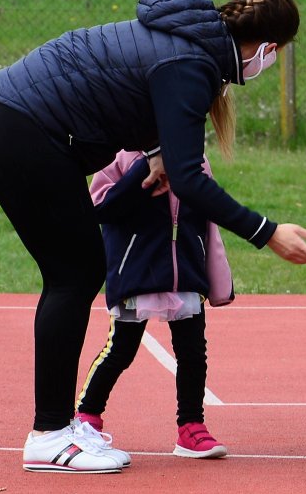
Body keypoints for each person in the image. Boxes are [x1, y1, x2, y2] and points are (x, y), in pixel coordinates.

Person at [0, 0, 306, 473]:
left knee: (78, 271)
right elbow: (189, 180)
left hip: (15, 119)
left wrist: (155, 151)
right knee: (73, 274)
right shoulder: (192, 64)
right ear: (267, 49)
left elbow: (129, 93)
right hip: (22, 128)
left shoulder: (191, 43)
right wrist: (267, 231)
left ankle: (57, 426)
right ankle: (50, 433)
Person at [77, 148, 236, 460]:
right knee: (121, 349)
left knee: (193, 353)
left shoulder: (195, 156)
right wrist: (143, 171)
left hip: (185, 272)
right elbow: (100, 205)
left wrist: (217, 278)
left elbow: (210, 222)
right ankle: (86, 418)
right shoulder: (119, 155)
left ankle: (191, 427)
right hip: (137, 270)